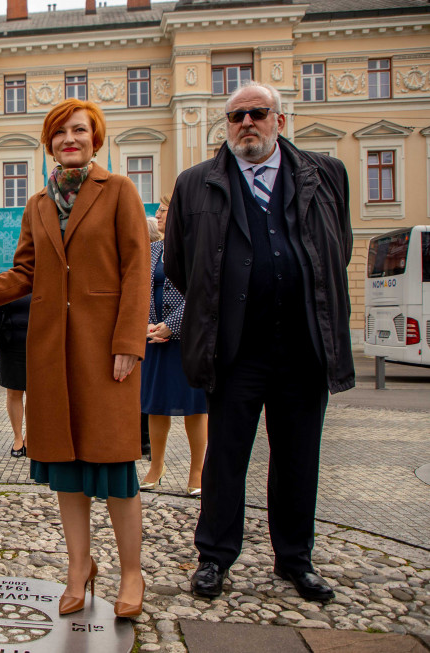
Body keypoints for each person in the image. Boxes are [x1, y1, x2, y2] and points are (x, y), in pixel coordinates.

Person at [0, 98, 150, 618]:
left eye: (78, 130)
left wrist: (129, 342)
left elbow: (136, 270)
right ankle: (78, 569)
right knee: (64, 468)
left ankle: (132, 573)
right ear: (49, 143)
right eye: (59, 133)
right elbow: (21, 276)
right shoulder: (38, 204)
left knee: (115, 467)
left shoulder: (120, 190)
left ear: (95, 138)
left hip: (106, 353)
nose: (69, 139)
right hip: (51, 353)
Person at [164, 81, 354, 603]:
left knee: (298, 457)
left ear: (280, 121)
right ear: (226, 126)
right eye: (236, 116)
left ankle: (295, 559)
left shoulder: (325, 174)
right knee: (225, 458)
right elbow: (181, 265)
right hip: (233, 350)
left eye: (257, 114)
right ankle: (214, 558)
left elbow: (338, 249)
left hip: (303, 346)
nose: (246, 123)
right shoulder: (196, 182)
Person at [138, 194, 207, 496]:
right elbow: (139, 288)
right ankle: (157, 465)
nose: (159, 214)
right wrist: (146, 324)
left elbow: (202, 294)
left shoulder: (195, 249)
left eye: (163, 210)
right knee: (156, 406)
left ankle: (198, 471)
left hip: (187, 340)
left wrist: (172, 325)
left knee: (195, 407)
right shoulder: (152, 250)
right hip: (154, 339)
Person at [0, 295, 31, 457]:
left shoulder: (46, 280)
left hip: (41, 344)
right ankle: (18, 438)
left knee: (35, 394)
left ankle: (29, 437)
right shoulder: (11, 280)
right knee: (14, 392)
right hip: (11, 344)